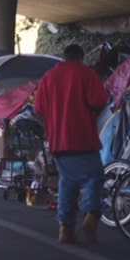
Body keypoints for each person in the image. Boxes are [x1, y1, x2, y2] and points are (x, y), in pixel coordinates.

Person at [34, 44, 109, 243]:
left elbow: (38, 108)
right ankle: (91, 216)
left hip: (58, 141)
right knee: (94, 178)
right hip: (83, 138)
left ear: (64, 57)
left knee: (67, 184)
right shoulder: (87, 74)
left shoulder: (48, 78)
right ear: (80, 57)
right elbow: (99, 101)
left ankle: (65, 229)